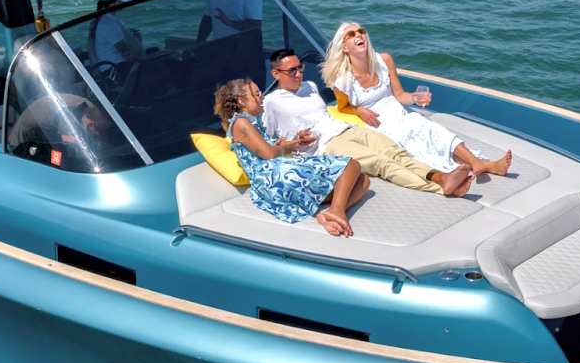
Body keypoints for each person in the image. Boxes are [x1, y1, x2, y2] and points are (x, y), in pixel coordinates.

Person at [262, 48, 473, 197]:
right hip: (327, 144)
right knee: (381, 163)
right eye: (292, 71)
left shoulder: (310, 86)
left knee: (396, 152)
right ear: (275, 74)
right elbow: (271, 140)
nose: (298, 74)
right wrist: (295, 142)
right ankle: (440, 187)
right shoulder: (272, 102)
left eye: (300, 68)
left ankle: (440, 176)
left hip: (347, 128)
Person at [321, 21, 511, 177]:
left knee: (430, 129)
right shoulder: (343, 80)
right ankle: (489, 165)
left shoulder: (384, 61)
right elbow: (343, 107)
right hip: (380, 124)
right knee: (421, 149)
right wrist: (359, 110)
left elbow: (400, 95)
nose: (359, 36)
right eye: (351, 35)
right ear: (344, 48)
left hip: (400, 113)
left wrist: (415, 97)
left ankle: (476, 161)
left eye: (361, 31)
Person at [216, 79, 368, 237]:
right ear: (241, 100)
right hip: (274, 177)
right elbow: (268, 154)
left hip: (275, 179)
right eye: (257, 94)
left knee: (362, 181)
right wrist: (283, 147)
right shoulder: (241, 122)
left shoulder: (252, 123)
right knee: (351, 165)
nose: (262, 98)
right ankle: (337, 211)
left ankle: (332, 213)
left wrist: (293, 142)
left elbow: (266, 149)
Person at [90, 0, 143, 67]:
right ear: (111, 4)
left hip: (114, 66)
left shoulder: (104, 20)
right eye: (120, 1)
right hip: (117, 69)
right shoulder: (109, 24)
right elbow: (128, 54)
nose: (124, 3)